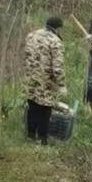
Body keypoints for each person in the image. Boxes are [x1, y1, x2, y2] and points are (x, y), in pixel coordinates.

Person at [24, 16, 66, 144]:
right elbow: (57, 67)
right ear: (58, 28)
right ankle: (43, 138)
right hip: (46, 81)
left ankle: (30, 135)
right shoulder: (55, 42)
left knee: (32, 105)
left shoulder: (31, 35)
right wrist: (61, 84)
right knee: (45, 109)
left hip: (31, 77)